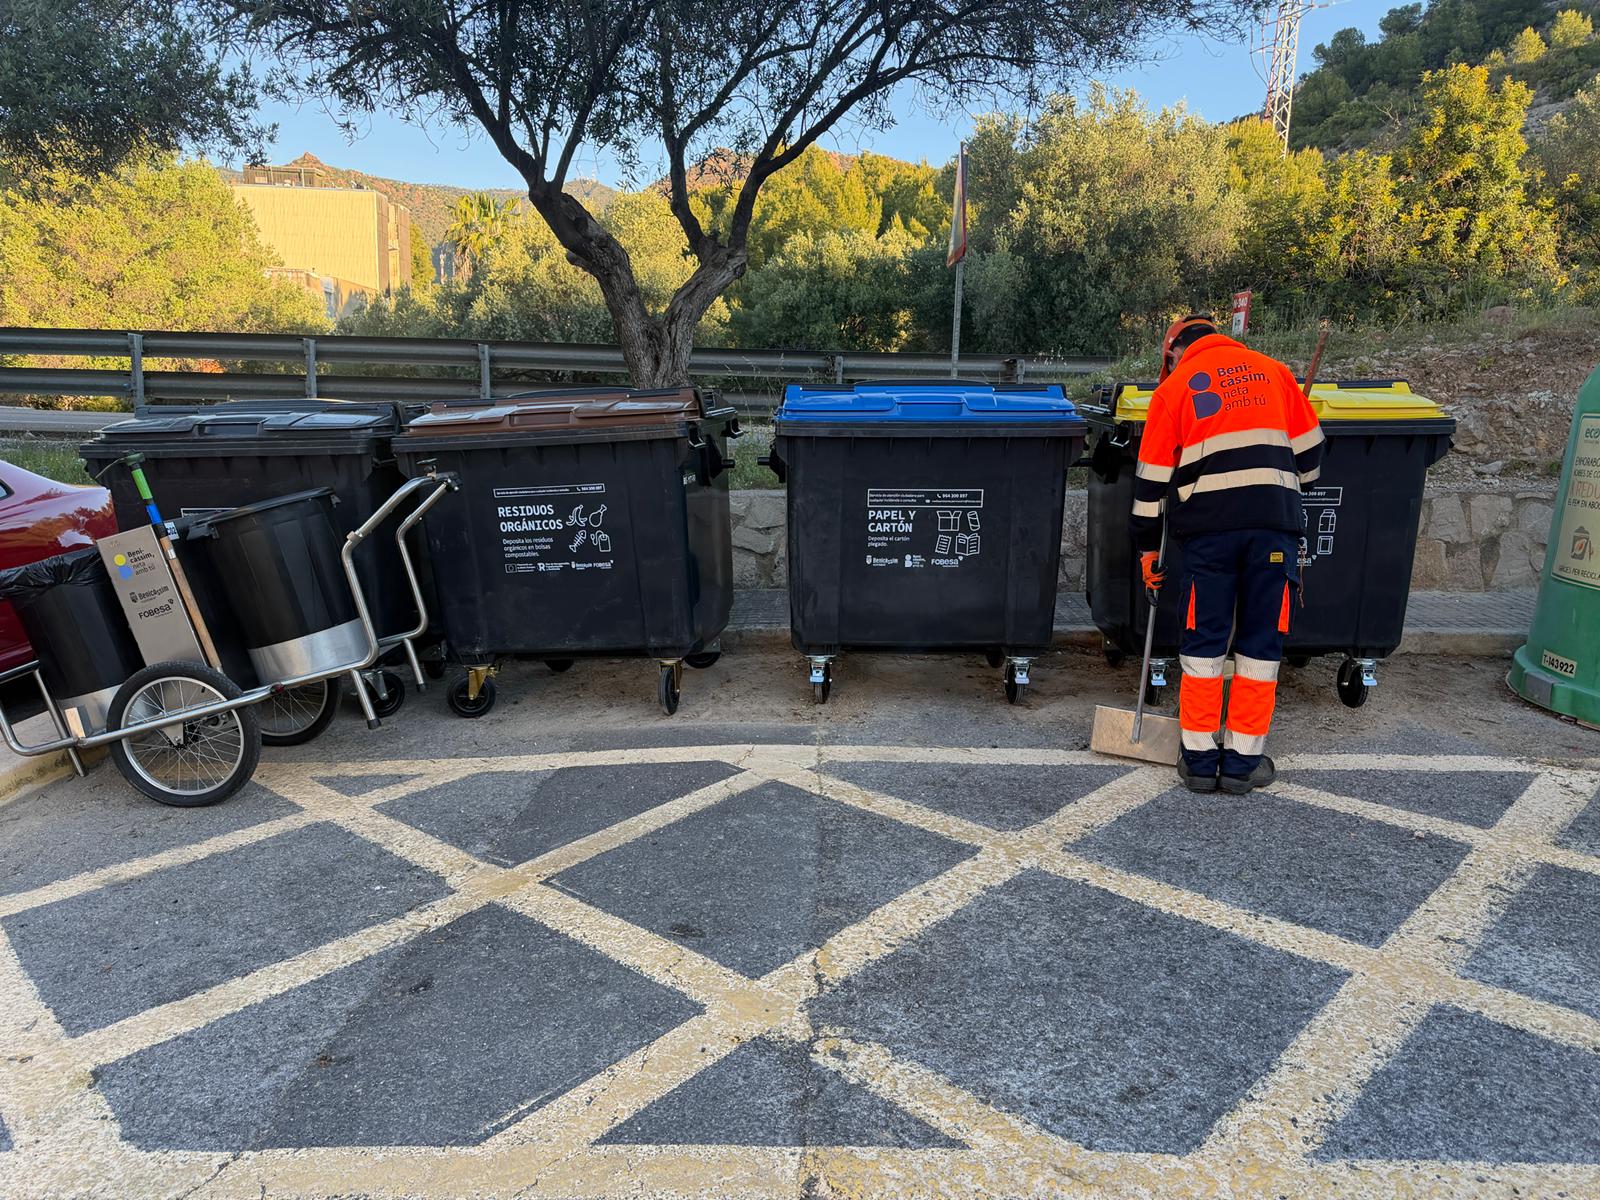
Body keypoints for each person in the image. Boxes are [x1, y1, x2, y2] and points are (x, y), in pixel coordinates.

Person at [1130, 315, 1325, 794]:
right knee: (1261, 646)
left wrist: (1146, 549)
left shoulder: (1173, 389)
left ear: (1173, 353)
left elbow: (1150, 483)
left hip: (1209, 534)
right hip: (1273, 531)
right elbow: (1312, 456)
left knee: (1204, 641)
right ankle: (1242, 765)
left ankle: (1199, 761)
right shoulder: (1274, 372)